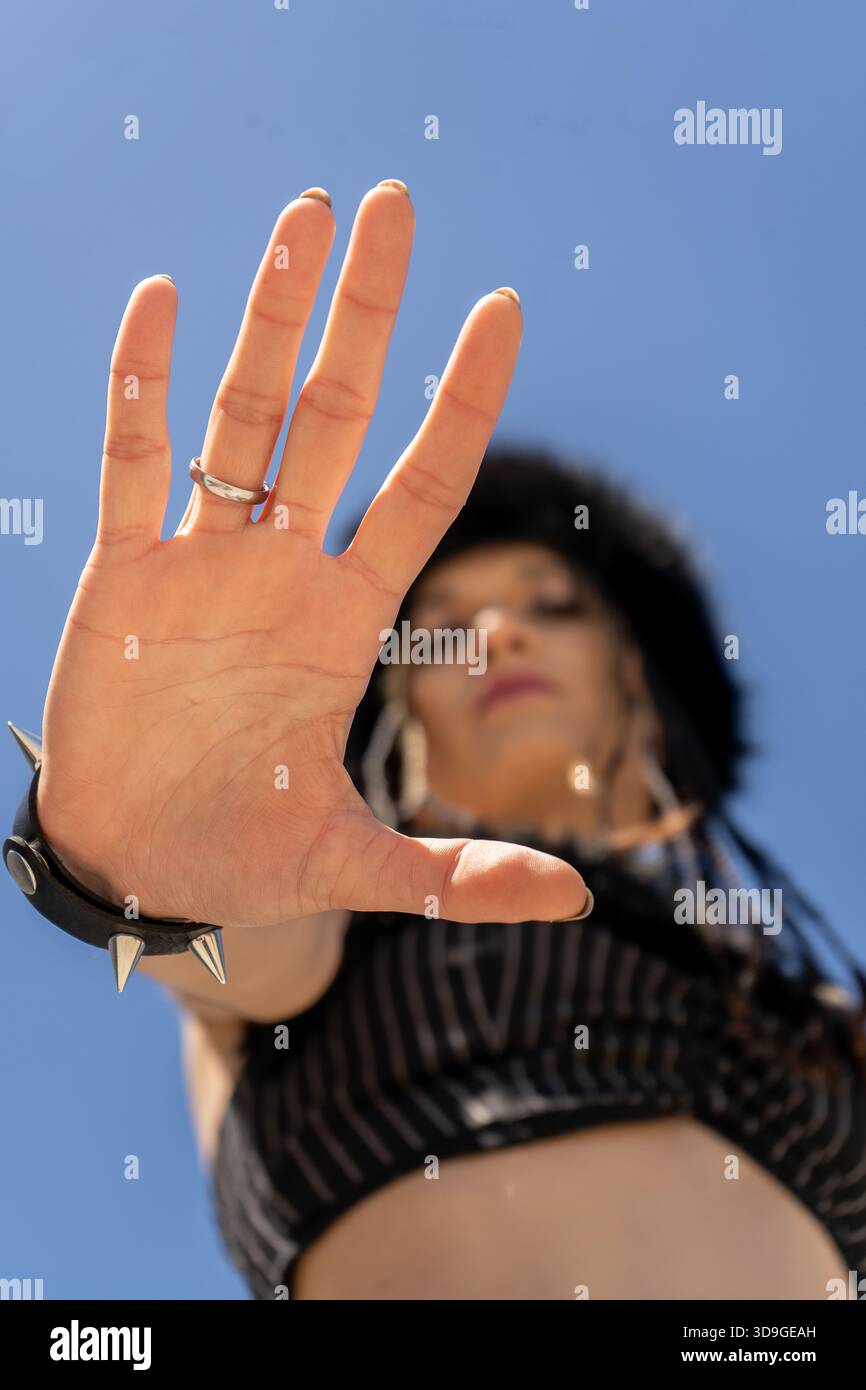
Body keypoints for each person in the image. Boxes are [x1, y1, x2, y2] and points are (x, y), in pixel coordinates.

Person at [16, 181, 866, 1301]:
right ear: (398, 700)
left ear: (642, 695)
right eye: (446, 627)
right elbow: (254, 944)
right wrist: (146, 867)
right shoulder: (324, 918)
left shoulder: (810, 1006)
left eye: (551, 605)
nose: (500, 629)